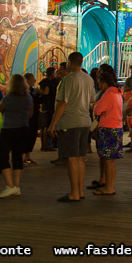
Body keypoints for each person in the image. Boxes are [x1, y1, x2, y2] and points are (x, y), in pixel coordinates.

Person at [48, 51, 96, 202]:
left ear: (70, 63)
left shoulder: (68, 80)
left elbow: (63, 103)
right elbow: (91, 102)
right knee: (80, 157)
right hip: (84, 121)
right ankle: (80, 191)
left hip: (71, 122)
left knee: (72, 159)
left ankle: (74, 192)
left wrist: (53, 124)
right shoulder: (89, 80)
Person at [0, 74, 33, 198]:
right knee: (17, 156)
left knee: (2, 156)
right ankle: (16, 186)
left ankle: (9, 185)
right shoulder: (28, 97)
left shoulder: (8, 98)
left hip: (9, 128)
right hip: (23, 128)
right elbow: (30, 114)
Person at [91, 70, 123, 195]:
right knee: (112, 160)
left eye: (100, 83)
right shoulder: (118, 93)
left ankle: (109, 188)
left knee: (108, 160)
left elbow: (97, 110)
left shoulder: (108, 94)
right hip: (117, 128)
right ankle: (110, 185)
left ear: (104, 82)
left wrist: (96, 104)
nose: (99, 86)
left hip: (108, 128)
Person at [23, 72, 42, 164]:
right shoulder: (23, 91)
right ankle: (22, 156)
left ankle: (27, 156)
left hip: (34, 116)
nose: (34, 80)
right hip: (26, 117)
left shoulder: (33, 90)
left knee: (32, 135)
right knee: (26, 136)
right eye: (32, 78)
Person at [39, 66, 58, 151]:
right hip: (49, 105)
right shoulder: (48, 83)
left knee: (44, 126)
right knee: (47, 125)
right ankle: (46, 145)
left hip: (45, 106)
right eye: (55, 73)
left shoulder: (44, 82)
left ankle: (45, 144)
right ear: (52, 74)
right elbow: (46, 93)